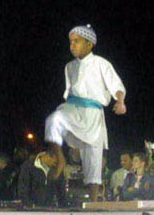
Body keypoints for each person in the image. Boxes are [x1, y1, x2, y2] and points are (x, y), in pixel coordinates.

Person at [44, 24, 127, 202]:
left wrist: (120, 102)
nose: (72, 45)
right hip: (73, 107)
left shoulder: (102, 64)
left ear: (89, 44)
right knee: (53, 120)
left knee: (92, 157)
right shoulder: (69, 67)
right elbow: (68, 91)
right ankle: (60, 159)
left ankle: (93, 202)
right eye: (70, 42)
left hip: (93, 113)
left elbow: (117, 86)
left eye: (77, 41)